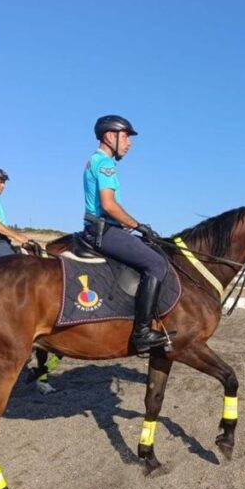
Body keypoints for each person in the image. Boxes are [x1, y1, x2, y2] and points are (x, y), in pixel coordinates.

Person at [83, 115, 169, 354]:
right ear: (110, 136)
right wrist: (138, 225)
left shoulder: (94, 160)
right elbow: (109, 205)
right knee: (156, 263)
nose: (129, 143)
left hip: (100, 227)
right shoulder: (106, 164)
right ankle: (142, 332)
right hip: (105, 230)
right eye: (126, 136)